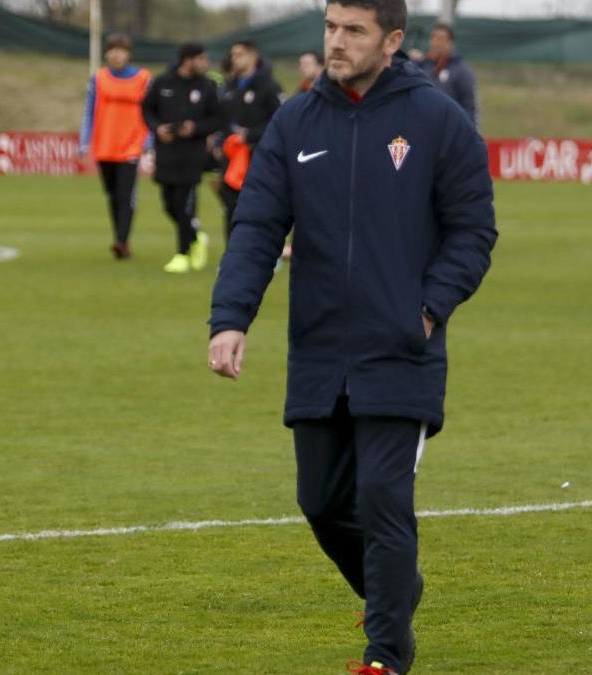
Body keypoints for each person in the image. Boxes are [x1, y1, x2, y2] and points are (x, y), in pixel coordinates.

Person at [207, 0, 497, 672]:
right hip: (318, 346)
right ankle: (395, 591)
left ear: (391, 40)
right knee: (320, 500)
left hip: (401, 346)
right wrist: (230, 318)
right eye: (331, 28)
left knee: (381, 499)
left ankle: (385, 656)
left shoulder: (436, 120)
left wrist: (427, 308)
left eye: (353, 31)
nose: (336, 42)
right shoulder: (296, 119)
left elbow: (474, 231)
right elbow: (256, 226)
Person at [140, 43, 220, 274]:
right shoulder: (162, 82)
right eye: (201, 59)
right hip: (166, 153)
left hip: (192, 155)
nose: (205, 63)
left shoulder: (207, 86)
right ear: (188, 60)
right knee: (169, 204)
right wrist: (158, 128)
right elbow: (147, 109)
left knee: (186, 205)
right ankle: (196, 236)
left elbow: (217, 119)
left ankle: (182, 253)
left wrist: (194, 128)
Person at [79, 33, 151, 260]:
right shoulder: (98, 78)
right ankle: (119, 237)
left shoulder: (143, 78)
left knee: (125, 194)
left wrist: (149, 140)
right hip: (105, 144)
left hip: (131, 145)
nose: (116, 55)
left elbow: (151, 111)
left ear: (128, 54)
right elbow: (89, 111)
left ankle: (122, 241)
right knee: (112, 195)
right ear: (107, 53)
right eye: (112, 50)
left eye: (121, 50)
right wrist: (84, 141)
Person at [215, 40, 283, 242]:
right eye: (233, 54)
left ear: (253, 56)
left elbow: (279, 119)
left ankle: (266, 249)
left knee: (260, 206)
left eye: (240, 54)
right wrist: (220, 142)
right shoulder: (229, 87)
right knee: (231, 206)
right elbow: (221, 119)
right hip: (231, 158)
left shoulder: (268, 86)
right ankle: (232, 253)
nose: (235, 59)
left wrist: (251, 135)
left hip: (259, 155)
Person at [418, 24, 478, 127]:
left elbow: (469, 106)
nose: (435, 43)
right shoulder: (422, 66)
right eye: (433, 38)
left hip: (449, 130)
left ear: (450, 43)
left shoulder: (461, 70)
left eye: (441, 39)